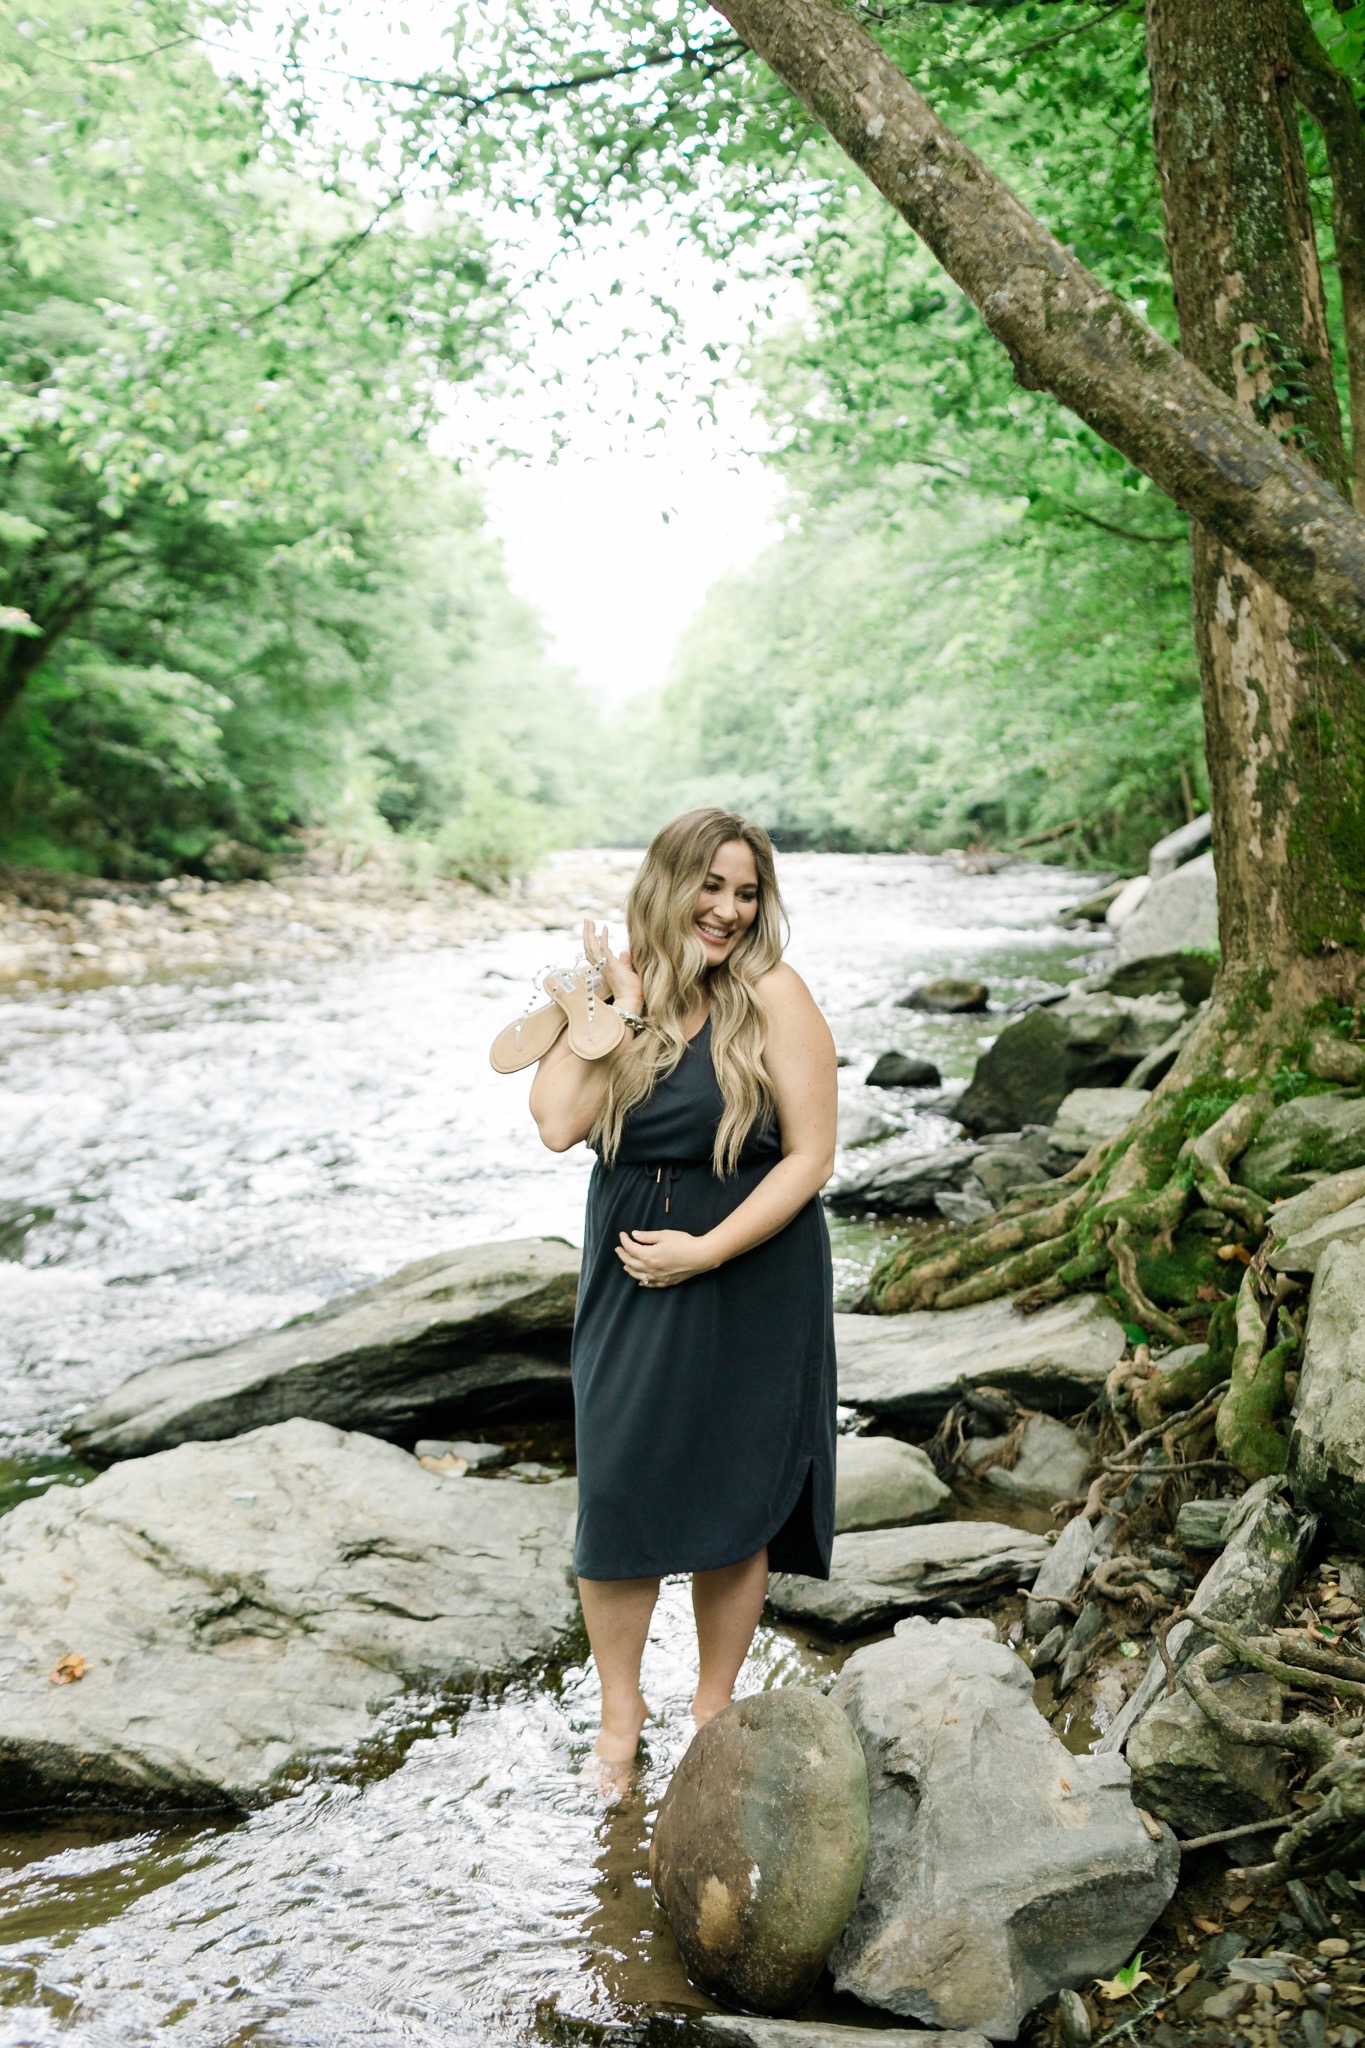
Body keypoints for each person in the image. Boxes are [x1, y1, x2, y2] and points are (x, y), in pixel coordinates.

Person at [527, 807, 838, 1787]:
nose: (730, 909)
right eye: (712, 886)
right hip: (628, 1273)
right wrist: (607, 1003)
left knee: (731, 1489)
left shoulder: (774, 993)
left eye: (747, 892)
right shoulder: (618, 991)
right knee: (617, 1490)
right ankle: (619, 1720)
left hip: (752, 1267)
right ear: (669, 883)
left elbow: (812, 1157)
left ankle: (713, 1704)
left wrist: (707, 1249)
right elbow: (556, 1121)